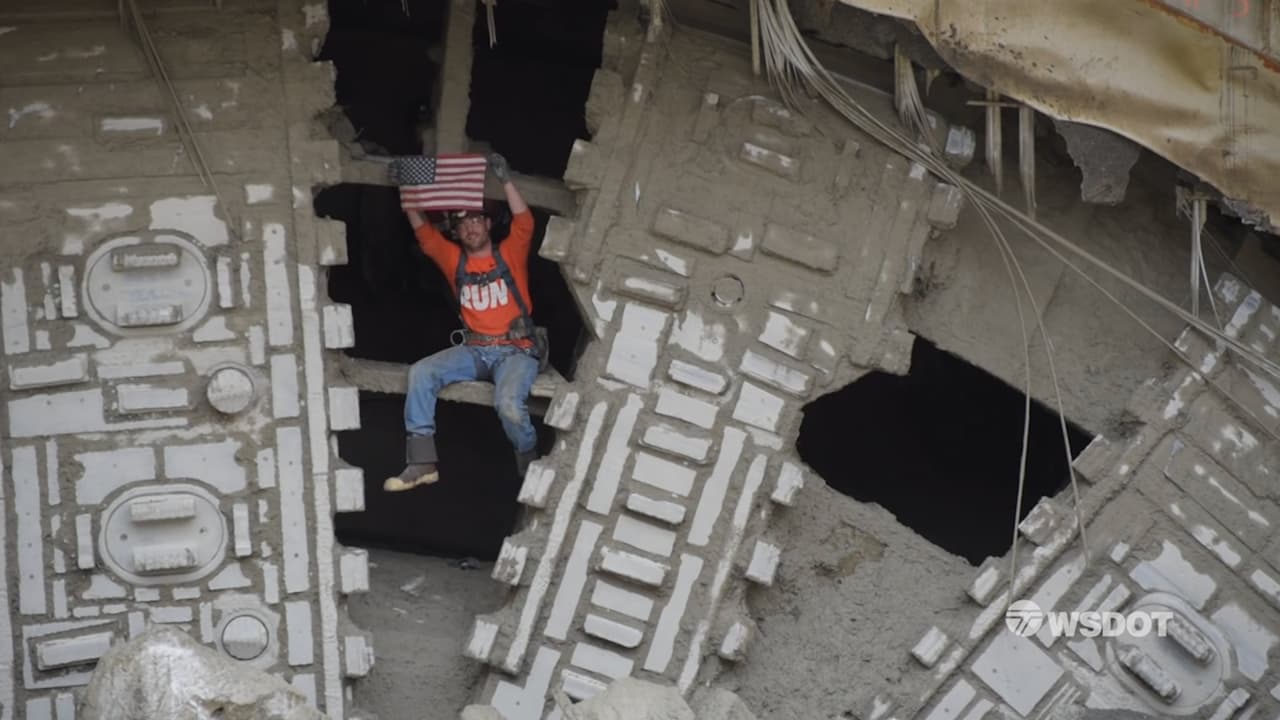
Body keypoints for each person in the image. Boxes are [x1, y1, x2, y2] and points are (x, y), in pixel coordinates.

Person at [384, 153, 542, 492]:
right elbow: (424, 233)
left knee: (509, 406)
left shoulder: (509, 253)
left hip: (516, 351)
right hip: (475, 350)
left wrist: (506, 180)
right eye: (462, 222)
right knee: (422, 372)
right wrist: (406, 191)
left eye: (476, 219)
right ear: (456, 232)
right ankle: (422, 462)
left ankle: (529, 463)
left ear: (488, 225)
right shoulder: (453, 260)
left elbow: (525, 222)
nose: (471, 226)